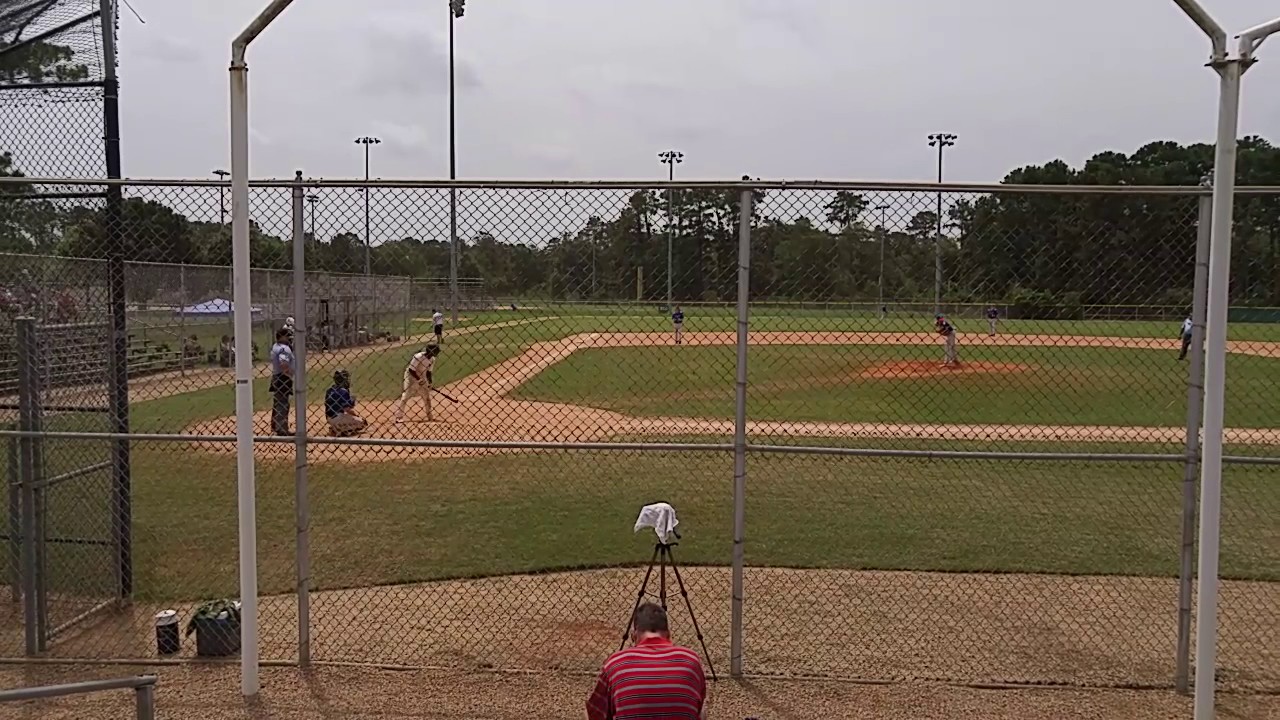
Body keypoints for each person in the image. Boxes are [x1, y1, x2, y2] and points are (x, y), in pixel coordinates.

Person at [586, 602, 706, 720]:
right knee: (701, 710)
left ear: (633, 636)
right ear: (669, 635)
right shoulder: (691, 660)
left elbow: (595, 713)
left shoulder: (615, 663)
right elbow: (698, 706)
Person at [395, 343, 440, 423]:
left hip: (422, 376)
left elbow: (429, 372)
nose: (437, 353)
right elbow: (411, 370)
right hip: (410, 377)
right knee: (406, 396)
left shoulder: (432, 359)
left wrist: (429, 382)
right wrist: (419, 380)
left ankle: (429, 415)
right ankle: (399, 416)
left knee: (426, 397)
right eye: (436, 351)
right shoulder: (418, 357)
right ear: (431, 351)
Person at [324, 369, 367, 436]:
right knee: (362, 423)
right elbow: (347, 409)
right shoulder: (343, 391)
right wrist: (357, 416)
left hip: (329, 418)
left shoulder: (329, 390)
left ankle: (336, 427)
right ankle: (342, 430)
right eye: (346, 378)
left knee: (344, 417)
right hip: (338, 417)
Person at [269, 327, 295, 436]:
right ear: (282, 336)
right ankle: (281, 429)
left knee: (278, 403)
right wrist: (290, 375)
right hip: (282, 378)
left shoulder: (275, 346)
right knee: (283, 404)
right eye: (287, 336)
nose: (289, 338)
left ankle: (275, 425)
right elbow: (283, 363)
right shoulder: (284, 348)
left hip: (276, 377)